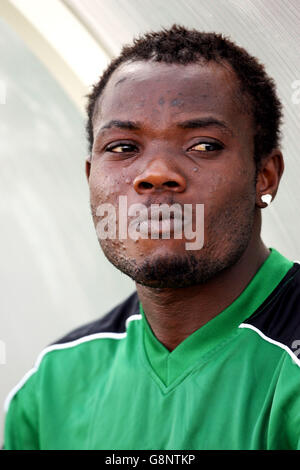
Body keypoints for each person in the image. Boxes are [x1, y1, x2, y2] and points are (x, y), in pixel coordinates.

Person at [3, 25, 300, 450]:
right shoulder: (52, 385)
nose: (156, 174)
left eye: (202, 145)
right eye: (123, 147)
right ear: (91, 178)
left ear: (264, 176)